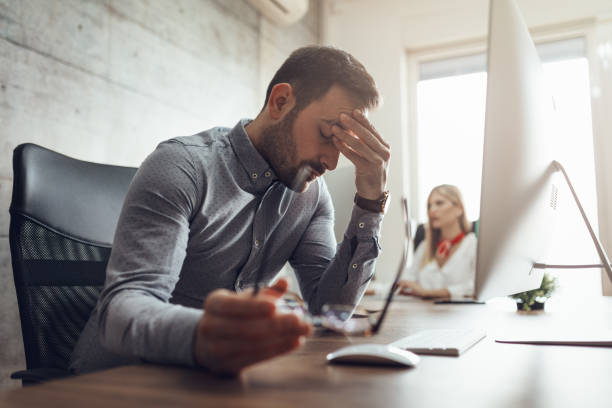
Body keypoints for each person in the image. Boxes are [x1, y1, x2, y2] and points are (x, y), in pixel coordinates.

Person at [69, 46, 391, 376]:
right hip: (116, 382)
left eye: (342, 145)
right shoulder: (182, 166)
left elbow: (328, 309)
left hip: (216, 385)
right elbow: (121, 310)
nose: (332, 162)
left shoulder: (310, 196)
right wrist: (202, 336)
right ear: (281, 102)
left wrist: (370, 202)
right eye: (327, 134)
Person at [397, 185, 476, 300]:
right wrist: (369, 289)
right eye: (429, 206)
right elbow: (406, 281)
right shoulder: (425, 246)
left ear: (459, 209)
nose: (432, 210)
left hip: (461, 315)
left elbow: (475, 287)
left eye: (439, 203)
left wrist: (429, 293)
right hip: (425, 314)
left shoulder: (473, 245)